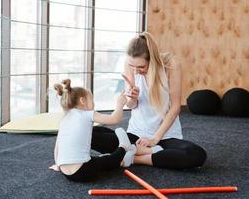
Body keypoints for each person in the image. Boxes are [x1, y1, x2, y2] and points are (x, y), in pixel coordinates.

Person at [91, 32, 207, 169]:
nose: (136, 71)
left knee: (197, 155)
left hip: (165, 137)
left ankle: (134, 158)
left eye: (141, 67)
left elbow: (175, 107)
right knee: (90, 133)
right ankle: (143, 153)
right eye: (132, 67)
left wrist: (154, 139)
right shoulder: (130, 65)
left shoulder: (171, 65)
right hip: (136, 135)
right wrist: (132, 98)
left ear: (152, 60)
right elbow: (131, 104)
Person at [49, 79, 136, 182]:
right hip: (83, 171)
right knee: (110, 160)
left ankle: (117, 160)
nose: (94, 104)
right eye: (92, 101)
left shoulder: (64, 119)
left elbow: (57, 146)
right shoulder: (87, 114)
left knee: (98, 160)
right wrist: (120, 104)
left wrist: (58, 165)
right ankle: (124, 148)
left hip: (66, 173)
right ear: (82, 101)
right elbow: (114, 119)